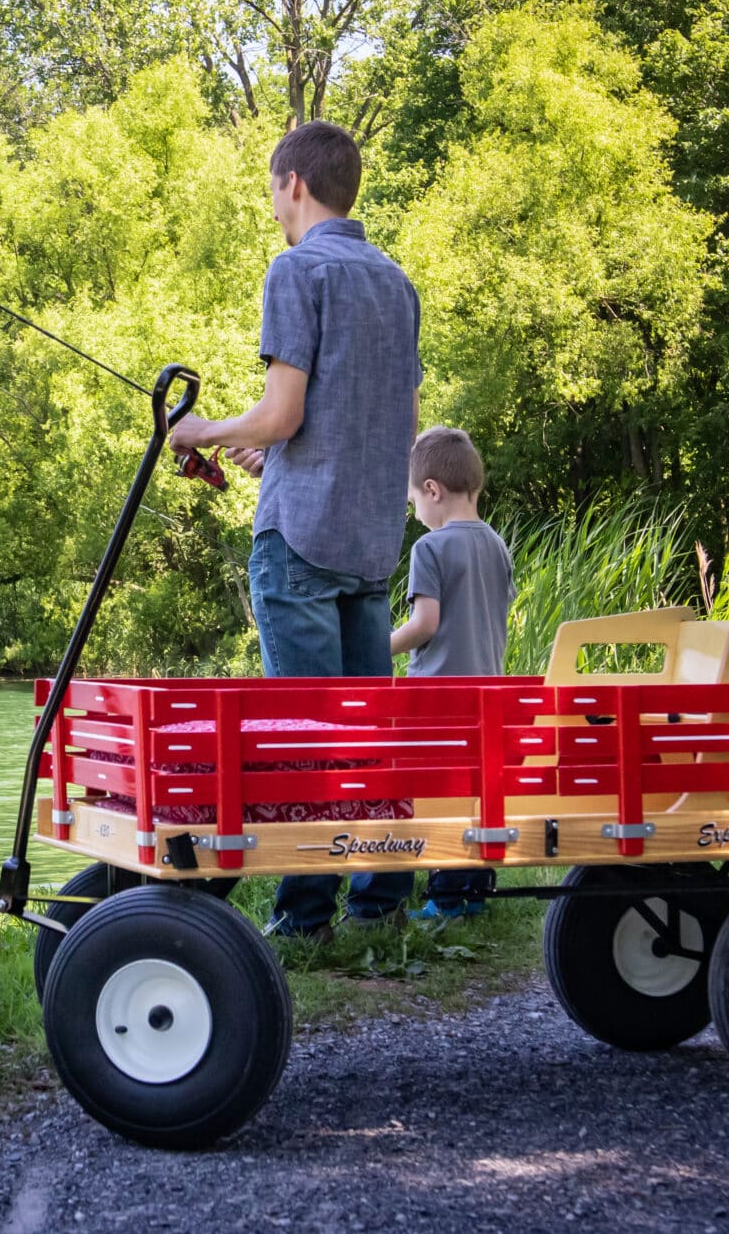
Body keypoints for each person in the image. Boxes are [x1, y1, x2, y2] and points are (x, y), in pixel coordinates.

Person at [166, 120, 421, 941]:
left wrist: (200, 431)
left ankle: (305, 918)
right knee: (365, 734)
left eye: (274, 190)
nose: (274, 205)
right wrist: (270, 450)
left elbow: (283, 411)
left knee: (304, 737)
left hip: (302, 543)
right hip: (372, 545)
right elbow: (395, 426)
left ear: (294, 185)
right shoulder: (396, 282)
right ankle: (378, 907)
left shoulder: (296, 268)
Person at [391, 425, 517, 918]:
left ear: (432, 490)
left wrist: (381, 648)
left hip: (437, 697)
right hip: (488, 694)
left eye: (412, 501)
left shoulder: (431, 548)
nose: (414, 513)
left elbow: (425, 624)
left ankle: (444, 900)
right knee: (474, 792)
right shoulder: (497, 544)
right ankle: (474, 893)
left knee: (437, 795)